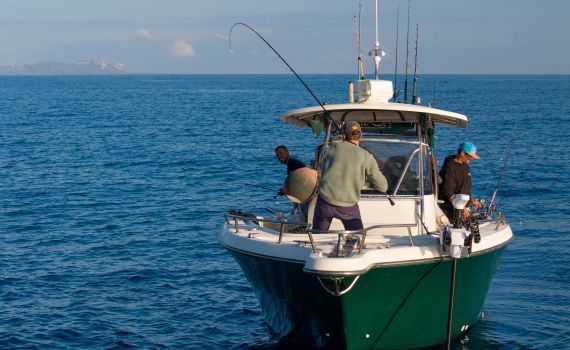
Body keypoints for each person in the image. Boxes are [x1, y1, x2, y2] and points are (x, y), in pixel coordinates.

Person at [312, 122, 388, 231]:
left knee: (316, 237)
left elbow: (322, 164)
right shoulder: (366, 156)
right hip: (348, 207)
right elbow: (383, 187)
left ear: (343, 136)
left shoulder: (327, 148)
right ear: (360, 137)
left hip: (324, 203)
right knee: (356, 237)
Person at [438, 141, 482, 219]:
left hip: (463, 207)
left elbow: (462, 188)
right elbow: (448, 192)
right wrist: (462, 208)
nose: (471, 159)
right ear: (462, 153)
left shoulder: (465, 165)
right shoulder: (450, 167)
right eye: (470, 156)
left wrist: (471, 201)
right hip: (452, 211)